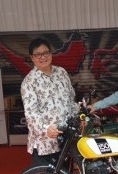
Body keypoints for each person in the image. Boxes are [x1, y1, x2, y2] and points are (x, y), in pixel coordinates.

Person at [20, 38, 79, 166]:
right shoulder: (29, 82)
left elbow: (71, 100)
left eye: (45, 52)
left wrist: (79, 115)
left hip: (65, 140)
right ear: (32, 58)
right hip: (44, 143)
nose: (43, 57)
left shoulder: (62, 73)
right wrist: (46, 129)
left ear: (50, 54)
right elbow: (31, 114)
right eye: (38, 54)